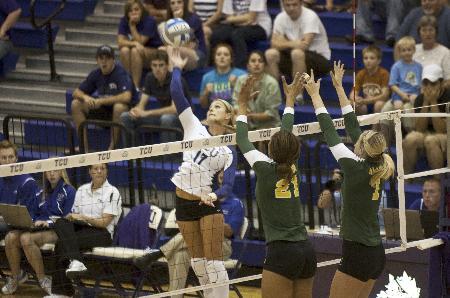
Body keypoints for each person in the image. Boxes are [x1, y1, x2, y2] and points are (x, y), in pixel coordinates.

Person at [304, 61, 395, 298]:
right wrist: (339, 88)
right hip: (375, 253)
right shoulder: (381, 162)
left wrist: (315, 95)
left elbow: (328, 130)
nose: (355, 138)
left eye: (360, 140)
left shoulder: (355, 167)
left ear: (362, 148)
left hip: (358, 253)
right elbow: (353, 126)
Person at [159, 46, 238, 298]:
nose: (212, 108)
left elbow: (228, 186)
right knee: (198, 263)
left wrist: (214, 196)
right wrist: (176, 67)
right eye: (211, 106)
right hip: (183, 203)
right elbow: (175, 92)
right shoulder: (194, 126)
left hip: (207, 205)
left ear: (228, 117)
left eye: (218, 107)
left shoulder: (228, 150)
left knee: (214, 263)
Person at [236, 73, 317, 298]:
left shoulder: (264, 167)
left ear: (271, 149)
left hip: (282, 252)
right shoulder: (292, 165)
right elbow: (286, 134)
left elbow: (242, 139)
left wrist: (242, 103)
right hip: (306, 251)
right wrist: (289, 100)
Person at [134, 172, 244, 298]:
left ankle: (158, 253)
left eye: (226, 174)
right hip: (198, 244)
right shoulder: (203, 198)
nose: (223, 177)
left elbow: (230, 231)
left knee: (190, 235)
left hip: (221, 245)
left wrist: (210, 221)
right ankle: (175, 296)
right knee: (180, 255)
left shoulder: (236, 203)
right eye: (220, 175)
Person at [46, 163, 122, 298]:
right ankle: (76, 262)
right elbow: (75, 215)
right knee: (61, 222)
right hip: (82, 229)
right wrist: (72, 217)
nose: (99, 171)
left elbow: (105, 222)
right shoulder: (81, 190)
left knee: (61, 244)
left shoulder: (112, 192)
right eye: (95, 168)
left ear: (107, 171)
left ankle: (63, 292)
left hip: (102, 233)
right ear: (89, 171)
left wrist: (83, 217)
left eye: (102, 168)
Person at [1, 170, 75, 295]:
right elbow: (34, 212)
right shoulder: (41, 192)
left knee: (26, 239)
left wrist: (49, 223)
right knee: (10, 237)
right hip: (38, 228)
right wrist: (30, 221)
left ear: (62, 172)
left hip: (57, 230)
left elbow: (68, 217)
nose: (52, 174)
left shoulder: (69, 191)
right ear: (45, 174)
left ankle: (43, 280)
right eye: (48, 171)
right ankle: (16, 277)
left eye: (55, 171)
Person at [71, 45, 137, 150]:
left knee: (119, 107)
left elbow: (127, 97)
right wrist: (86, 98)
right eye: (101, 58)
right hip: (104, 112)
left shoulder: (121, 73)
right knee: (76, 104)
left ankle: (112, 148)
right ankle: (84, 148)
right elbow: (76, 92)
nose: (104, 61)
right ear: (97, 60)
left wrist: (101, 101)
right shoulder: (96, 74)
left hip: (126, 113)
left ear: (113, 60)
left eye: (107, 58)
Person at [120, 50, 191, 144]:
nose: (157, 69)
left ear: (167, 66)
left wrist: (146, 113)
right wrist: (136, 111)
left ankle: (170, 158)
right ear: (151, 66)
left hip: (184, 119)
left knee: (166, 119)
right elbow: (141, 104)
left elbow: (174, 109)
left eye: (161, 65)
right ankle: (132, 156)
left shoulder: (175, 80)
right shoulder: (150, 78)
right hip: (163, 117)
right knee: (126, 116)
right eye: (154, 65)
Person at [265, 0, 331, 98]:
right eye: (288, 5)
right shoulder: (280, 17)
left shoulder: (310, 16)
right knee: (270, 53)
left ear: (301, 4)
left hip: (320, 60)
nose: (291, 8)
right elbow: (273, 44)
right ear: (283, 5)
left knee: (297, 53)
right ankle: (275, 93)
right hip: (294, 56)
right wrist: (294, 43)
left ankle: (297, 94)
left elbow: (304, 46)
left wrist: (283, 41)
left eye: (294, 5)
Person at [402, 64, 449, 174]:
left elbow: (441, 130)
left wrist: (433, 102)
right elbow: (419, 129)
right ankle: (406, 181)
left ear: (441, 83)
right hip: (427, 133)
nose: (428, 87)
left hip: (447, 134)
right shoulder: (420, 99)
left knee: (431, 141)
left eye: (433, 83)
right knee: (410, 139)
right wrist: (426, 102)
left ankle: (438, 184)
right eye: (425, 83)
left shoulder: (448, 97)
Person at [210, 0, 272, 68]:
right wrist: (237, 20)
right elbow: (229, 18)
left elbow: (251, 17)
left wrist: (233, 19)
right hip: (237, 25)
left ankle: (240, 69)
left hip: (259, 25)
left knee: (237, 35)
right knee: (217, 34)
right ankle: (216, 67)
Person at [232, 51, 282, 131]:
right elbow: (235, 104)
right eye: (253, 61)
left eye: (260, 61)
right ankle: (238, 143)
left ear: (265, 65)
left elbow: (271, 113)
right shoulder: (241, 81)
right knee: (235, 119)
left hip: (269, 126)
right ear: (248, 66)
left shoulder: (272, 83)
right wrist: (242, 110)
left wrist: (250, 115)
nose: (257, 64)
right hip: (247, 124)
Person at [0, 140, 41, 236]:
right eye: (3, 158)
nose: (7, 161)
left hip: (23, 225)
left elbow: (25, 218)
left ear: (16, 158)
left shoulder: (27, 182)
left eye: (10, 157)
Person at [118, 0, 162, 88]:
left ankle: (135, 87)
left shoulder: (149, 20)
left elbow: (141, 42)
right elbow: (120, 42)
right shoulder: (124, 20)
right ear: (127, 13)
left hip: (154, 51)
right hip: (138, 49)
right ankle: (127, 84)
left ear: (141, 10)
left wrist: (132, 26)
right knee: (124, 50)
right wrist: (134, 43)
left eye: (136, 9)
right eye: (130, 11)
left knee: (135, 51)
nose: (134, 12)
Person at [161, 0, 207, 70]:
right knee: (161, 50)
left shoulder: (194, 19)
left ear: (184, 4)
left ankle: (171, 77)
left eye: (179, 2)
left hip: (197, 55)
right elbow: (168, 43)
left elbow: (181, 41)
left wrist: (177, 20)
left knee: (171, 49)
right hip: (181, 50)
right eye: (172, 3)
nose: (176, 5)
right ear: (169, 6)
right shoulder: (168, 20)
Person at [199, 43, 246, 108]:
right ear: (214, 59)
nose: (222, 57)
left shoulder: (241, 75)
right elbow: (204, 105)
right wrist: (206, 93)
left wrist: (236, 85)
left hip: (235, 114)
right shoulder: (207, 77)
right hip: (215, 115)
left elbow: (247, 102)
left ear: (231, 59)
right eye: (218, 54)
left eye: (226, 54)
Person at [349, 45, 390, 115]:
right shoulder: (361, 74)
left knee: (378, 105)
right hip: (365, 104)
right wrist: (355, 99)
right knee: (350, 103)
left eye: (372, 58)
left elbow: (384, 96)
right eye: (365, 58)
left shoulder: (384, 74)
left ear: (379, 60)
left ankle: (375, 126)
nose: (368, 61)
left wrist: (367, 101)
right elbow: (353, 93)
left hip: (379, 102)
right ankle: (354, 125)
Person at [413, 15, 450, 88]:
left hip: (436, 94)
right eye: (424, 30)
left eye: (431, 30)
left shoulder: (445, 52)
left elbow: (448, 80)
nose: (428, 33)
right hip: (413, 92)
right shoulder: (413, 50)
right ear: (419, 32)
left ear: (436, 32)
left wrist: (432, 90)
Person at [389, 36, 422, 111]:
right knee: (398, 107)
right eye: (403, 50)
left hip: (414, 93)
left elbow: (420, 85)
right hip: (399, 93)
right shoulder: (396, 66)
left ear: (414, 50)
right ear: (399, 52)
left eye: (409, 50)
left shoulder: (419, 66)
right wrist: (402, 94)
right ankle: (399, 123)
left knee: (414, 101)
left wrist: (417, 94)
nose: (406, 52)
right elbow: (392, 85)